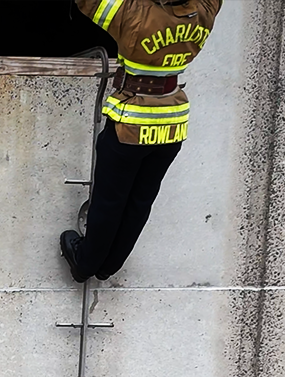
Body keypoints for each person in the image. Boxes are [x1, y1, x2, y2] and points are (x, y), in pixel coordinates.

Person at [58, 0, 224, 282]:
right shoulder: (203, 11)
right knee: (140, 202)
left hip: (130, 125)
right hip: (171, 123)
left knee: (108, 201)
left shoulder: (133, 13)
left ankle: (85, 263)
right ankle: (109, 265)